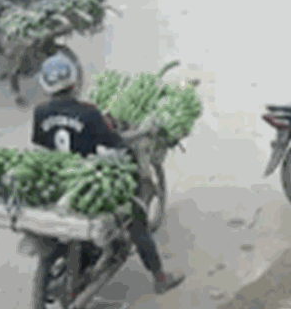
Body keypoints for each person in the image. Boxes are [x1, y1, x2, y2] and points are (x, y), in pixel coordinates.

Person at [31, 54, 185, 302]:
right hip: (87, 182)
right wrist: (142, 134)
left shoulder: (40, 112)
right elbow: (116, 144)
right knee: (137, 217)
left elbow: (42, 148)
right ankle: (160, 278)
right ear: (74, 82)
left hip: (59, 182)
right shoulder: (88, 113)